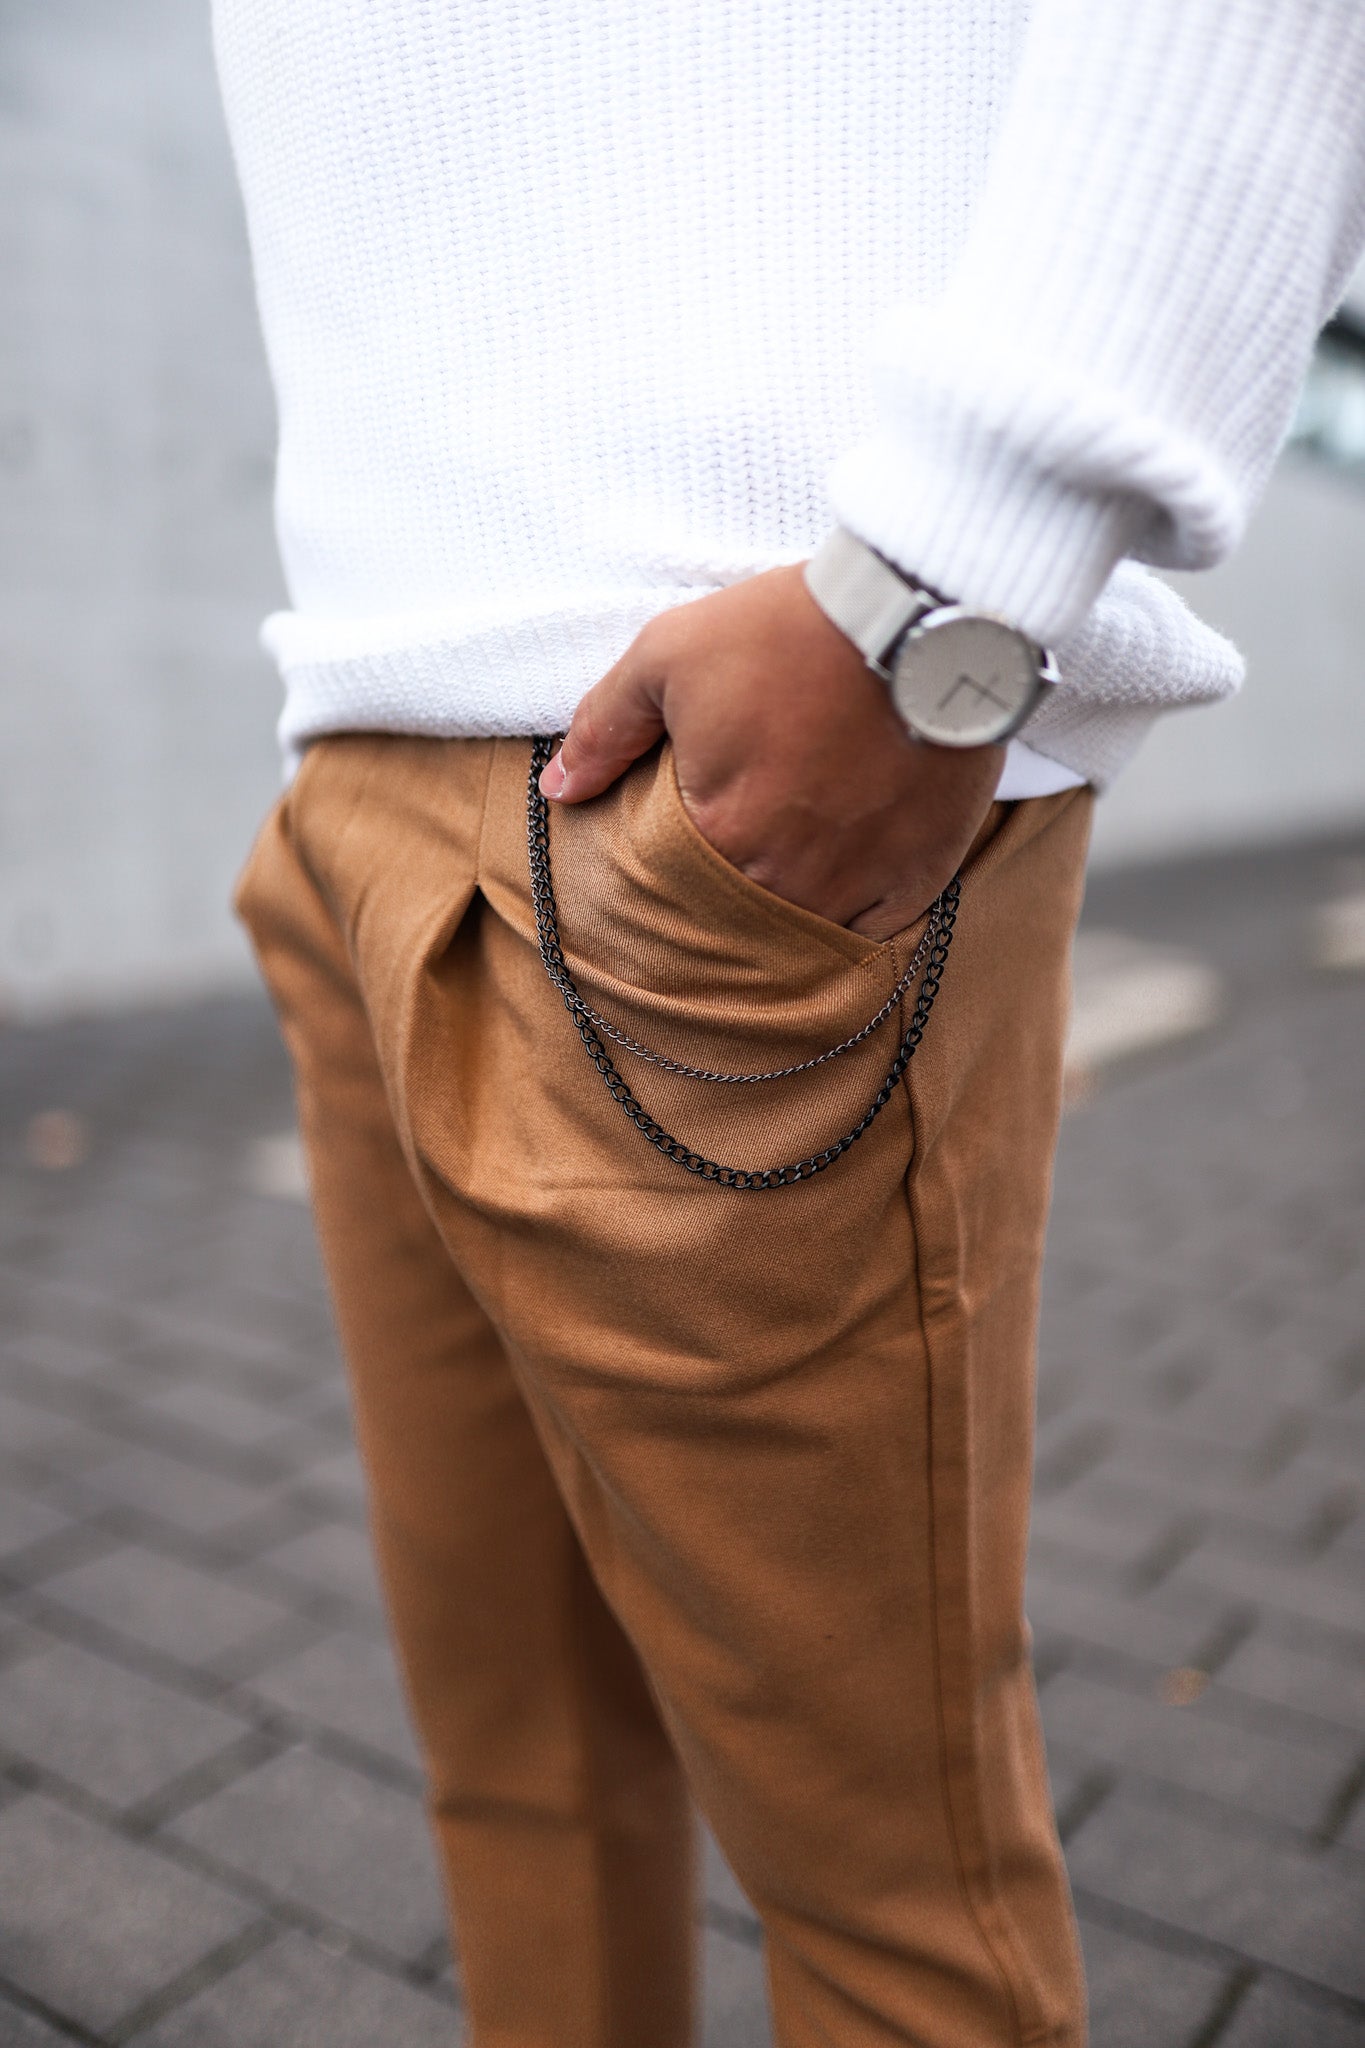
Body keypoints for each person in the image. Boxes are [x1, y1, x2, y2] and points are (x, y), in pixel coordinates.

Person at [214, 3, 1365, 2040]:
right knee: (515, 1763)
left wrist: (955, 571)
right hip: (358, 766)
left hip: (716, 809)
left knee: (886, 1907)